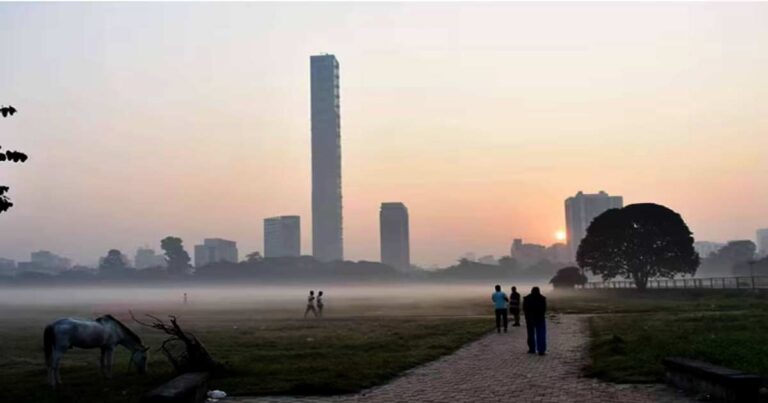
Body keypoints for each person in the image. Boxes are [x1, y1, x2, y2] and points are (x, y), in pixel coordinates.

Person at [522, 286, 547, 355]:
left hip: (530, 319)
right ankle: (541, 350)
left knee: (531, 334)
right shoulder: (542, 298)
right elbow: (544, 309)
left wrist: (527, 317)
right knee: (541, 334)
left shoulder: (527, 298)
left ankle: (532, 349)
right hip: (540, 318)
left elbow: (524, 309)